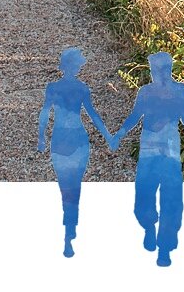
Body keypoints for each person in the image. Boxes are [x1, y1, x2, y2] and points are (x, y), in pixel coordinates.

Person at [109, 51, 184, 267]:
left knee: (171, 202)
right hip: (148, 152)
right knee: (143, 199)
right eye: (153, 70)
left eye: (160, 69)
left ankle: (165, 248)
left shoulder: (182, 92)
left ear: (169, 69)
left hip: (170, 154)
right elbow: (135, 116)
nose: (156, 74)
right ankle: (149, 227)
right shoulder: (146, 93)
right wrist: (119, 135)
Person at [37, 48, 115, 258]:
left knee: (65, 186)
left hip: (60, 139)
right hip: (78, 139)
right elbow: (93, 115)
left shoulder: (53, 88)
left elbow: (45, 113)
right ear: (76, 66)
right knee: (75, 186)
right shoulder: (82, 88)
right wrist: (108, 136)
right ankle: (70, 229)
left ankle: (68, 228)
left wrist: (41, 137)